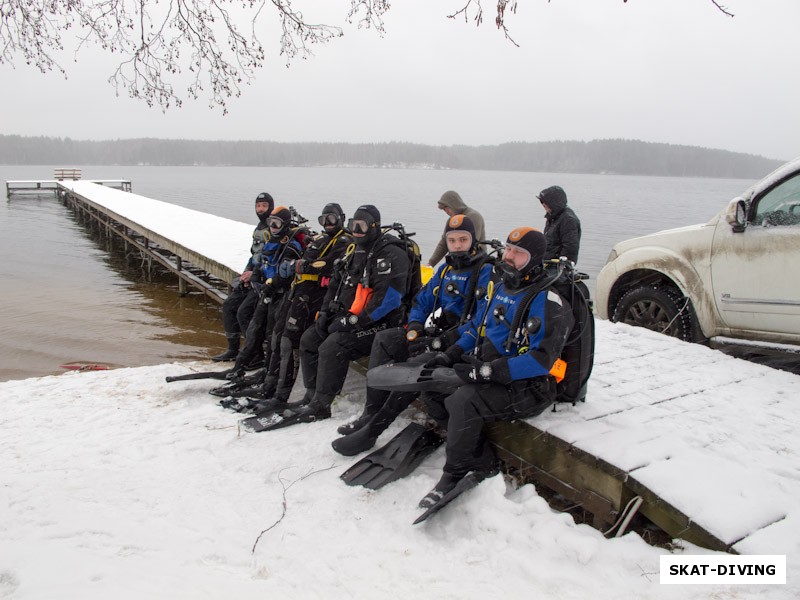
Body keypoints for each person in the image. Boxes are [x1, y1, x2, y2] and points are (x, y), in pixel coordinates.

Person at [416, 227, 575, 509]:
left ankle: (453, 473)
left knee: (464, 400)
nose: (510, 257)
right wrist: (452, 353)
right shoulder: (501, 286)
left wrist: (485, 372)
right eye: (509, 250)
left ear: (535, 259)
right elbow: (479, 328)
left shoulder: (547, 301)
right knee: (433, 384)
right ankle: (480, 457)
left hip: (530, 386)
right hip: (492, 369)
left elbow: (541, 360)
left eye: (519, 253)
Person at [331, 214, 494, 455]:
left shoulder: (485, 271)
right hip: (440, 332)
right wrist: (416, 324)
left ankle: (373, 431)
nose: (457, 245)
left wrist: (450, 339)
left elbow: (483, 319)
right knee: (386, 338)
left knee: (417, 368)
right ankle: (372, 410)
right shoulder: (446, 268)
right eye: (452, 240)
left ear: (474, 241)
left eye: (463, 239)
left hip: (463, 342)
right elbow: (423, 299)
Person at [254, 205, 413, 428]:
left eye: (362, 226)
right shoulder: (356, 251)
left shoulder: (390, 254)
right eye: (353, 226)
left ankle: (322, 403)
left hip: (383, 323)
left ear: (374, 227)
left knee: (333, 345)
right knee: (309, 339)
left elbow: (388, 301)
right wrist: (326, 313)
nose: (356, 231)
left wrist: (353, 322)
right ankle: (311, 395)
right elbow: (337, 284)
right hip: (351, 315)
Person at [218, 203, 352, 407]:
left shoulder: (344, 241)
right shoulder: (321, 239)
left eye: (331, 219)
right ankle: (269, 381)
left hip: (313, 297)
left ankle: (280, 394)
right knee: (277, 336)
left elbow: (328, 264)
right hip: (297, 292)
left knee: (289, 340)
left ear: (341, 218)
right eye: (323, 220)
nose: (327, 224)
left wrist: (297, 266)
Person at [218, 206, 305, 380]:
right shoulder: (271, 241)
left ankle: (269, 369)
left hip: (280, 294)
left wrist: (269, 285)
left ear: (285, 224)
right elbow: (260, 264)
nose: (273, 226)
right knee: (253, 324)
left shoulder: (290, 245)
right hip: (266, 291)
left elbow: (284, 273)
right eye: (270, 222)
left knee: (271, 332)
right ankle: (244, 362)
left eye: (277, 223)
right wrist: (255, 279)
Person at [212, 192, 274, 361]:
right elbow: (253, 255)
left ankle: (255, 354)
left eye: (264, 206)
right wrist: (246, 273)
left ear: (271, 207)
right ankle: (233, 350)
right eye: (258, 206)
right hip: (251, 275)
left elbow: (272, 258)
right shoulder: (258, 229)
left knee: (243, 312)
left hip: (263, 280)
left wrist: (254, 274)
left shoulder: (273, 228)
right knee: (228, 305)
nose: (260, 209)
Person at [427, 191, 485, 267]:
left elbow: (471, 242)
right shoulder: (452, 220)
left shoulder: (473, 216)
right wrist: (431, 263)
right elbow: (444, 243)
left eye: (447, 208)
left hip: (476, 261)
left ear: (455, 204)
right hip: (458, 261)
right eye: (444, 209)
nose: (446, 211)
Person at [538, 185, 581, 264]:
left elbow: (570, 247)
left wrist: (563, 266)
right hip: (548, 261)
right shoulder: (553, 216)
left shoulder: (568, 220)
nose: (543, 205)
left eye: (545, 202)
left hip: (557, 266)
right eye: (542, 202)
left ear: (554, 203)